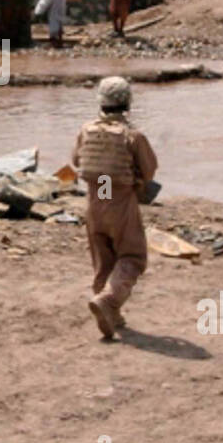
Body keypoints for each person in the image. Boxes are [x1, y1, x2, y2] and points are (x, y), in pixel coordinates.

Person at [72, 77, 158, 339]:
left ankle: (111, 313)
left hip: (95, 201)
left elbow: (75, 160)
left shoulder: (86, 130)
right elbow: (150, 170)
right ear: (127, 103)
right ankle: (108, 301)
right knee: (132, 258)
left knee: (103, 259)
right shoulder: (133, 136)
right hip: (119, 202)